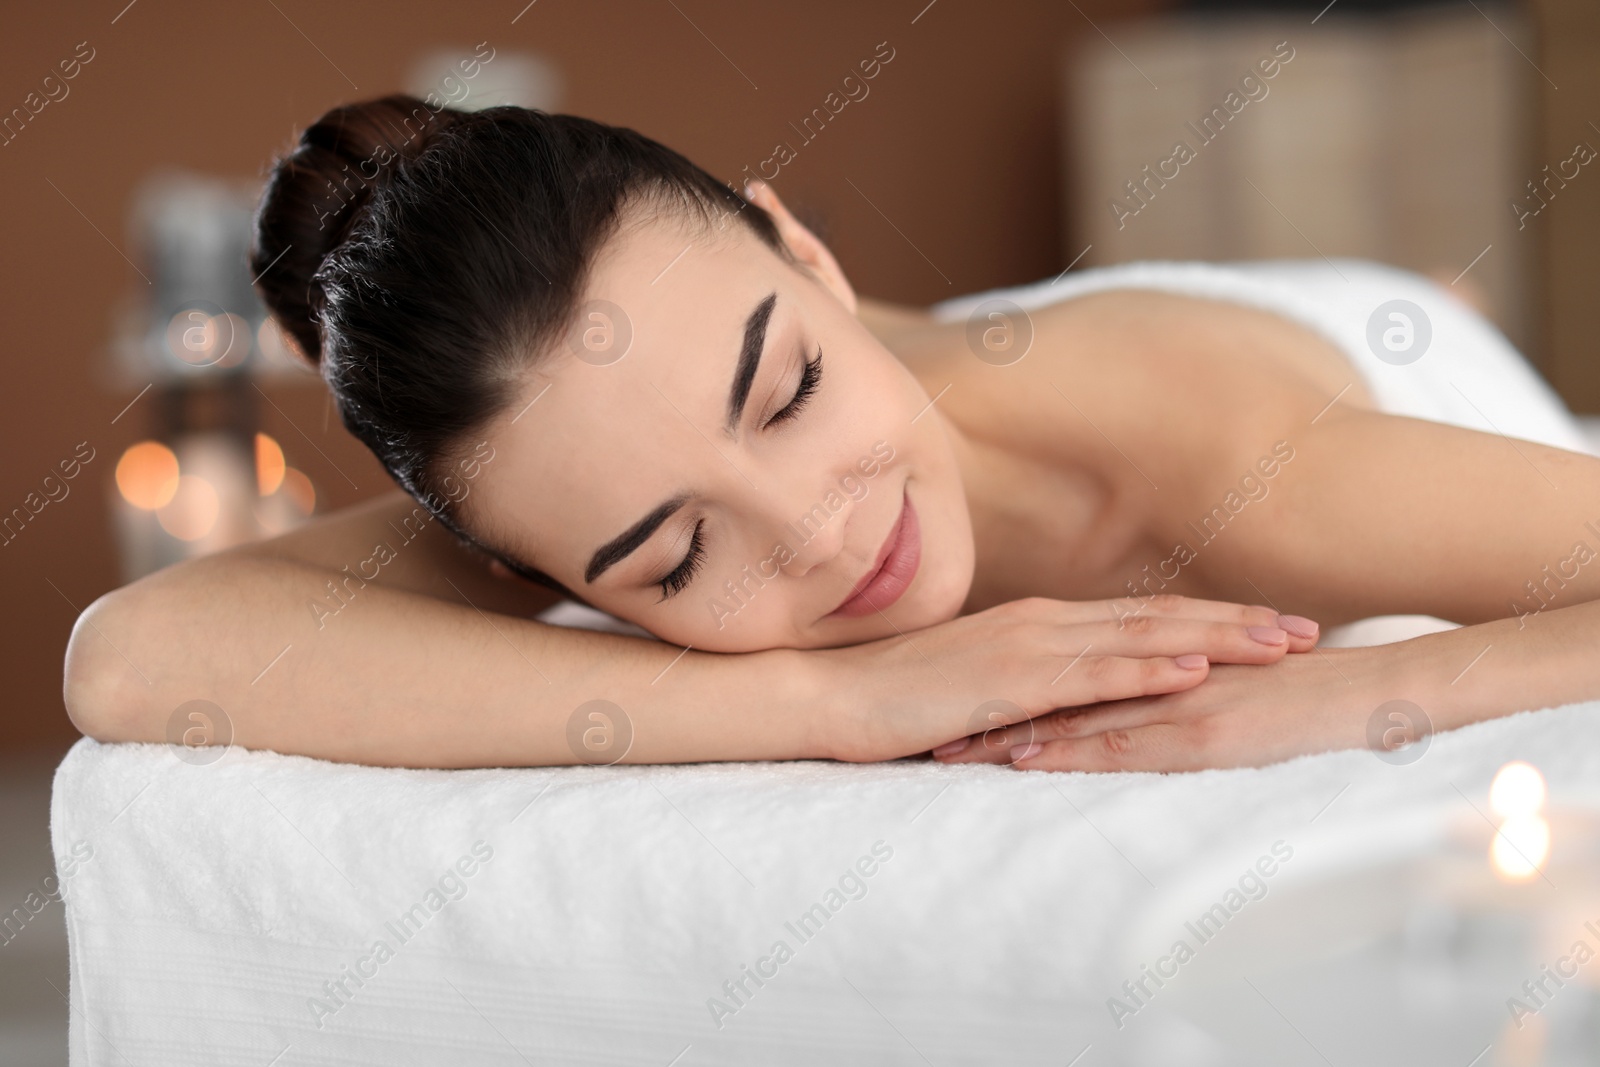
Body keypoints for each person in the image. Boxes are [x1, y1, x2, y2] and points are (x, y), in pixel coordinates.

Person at [63, 96, 1600, 772]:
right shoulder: (572, 455)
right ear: (558, 580)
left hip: (1382, 349)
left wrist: (1370, 692)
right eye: (674, 559)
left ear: (808, 253)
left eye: (788, 389)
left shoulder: (1232, 473)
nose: (818, 529)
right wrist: (828, 706)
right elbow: (133, 657)